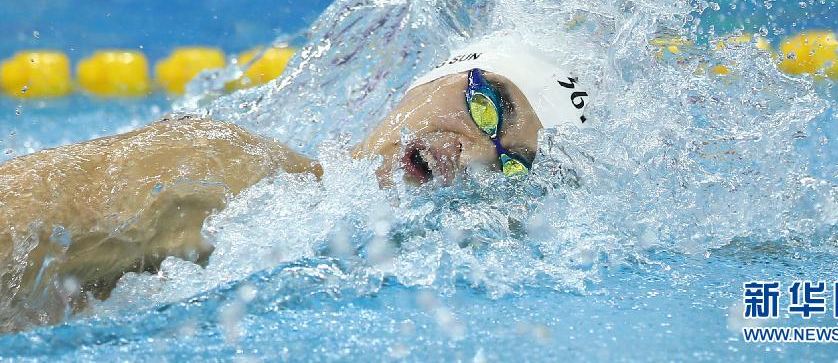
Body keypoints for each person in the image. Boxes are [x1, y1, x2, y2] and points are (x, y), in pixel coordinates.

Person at [0, 33, 588, 330]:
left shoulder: (380, 279)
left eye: (512, 162)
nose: (477, 151)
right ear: (435, 78)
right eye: (488, 106)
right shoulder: (225, 168)